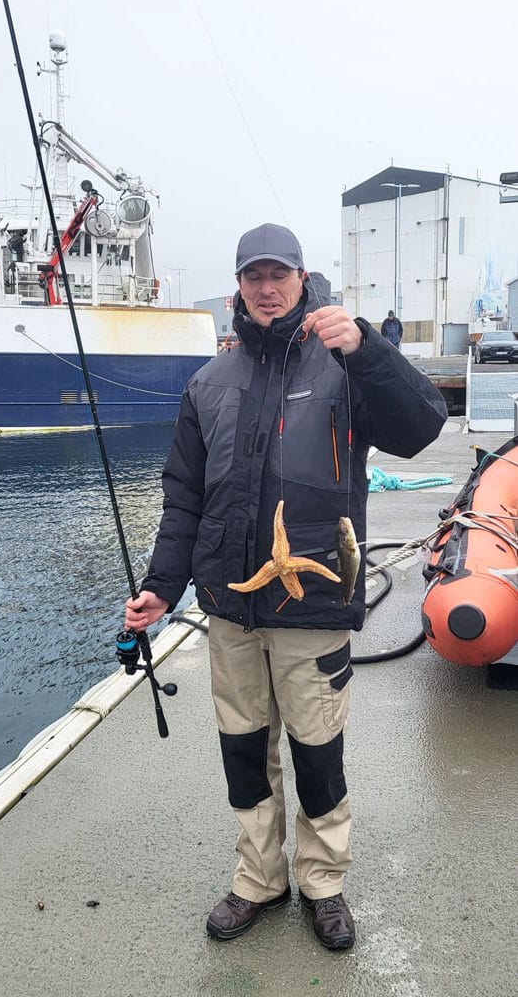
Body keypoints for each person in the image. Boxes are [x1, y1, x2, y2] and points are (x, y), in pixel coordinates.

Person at [125, 223, 447, 951]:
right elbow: (183, 499)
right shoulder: (209, 381)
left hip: (313, 605)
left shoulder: (343, 360)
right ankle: (258, 879)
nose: (265, 288)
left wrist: (368, 349)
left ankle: (323, 883)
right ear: (238, 286)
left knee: (316, 750)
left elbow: (421, 426)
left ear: (303, 278)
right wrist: (160, 587)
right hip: (231, 607)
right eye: (252, 277)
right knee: (243, 748)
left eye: (279, 274)